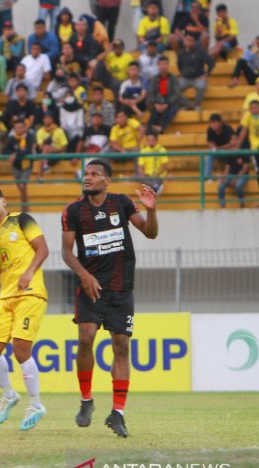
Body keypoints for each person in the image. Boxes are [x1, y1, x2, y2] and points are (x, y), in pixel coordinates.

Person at [62, 159, 158, 438]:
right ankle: (86, 399)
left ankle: (118, 413)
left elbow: (151, 233)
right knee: (85, 339)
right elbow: (67, 252)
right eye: (86, 173)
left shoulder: (122, 203)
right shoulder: (73, 211)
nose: (88, 177)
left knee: (121, 346)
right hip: (91, 287)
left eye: (95, 174)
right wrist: (84, 275)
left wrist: (152, 211)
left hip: (121, 287)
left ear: (107, 181)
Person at [0, 185, 49, 430]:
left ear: (3, 201)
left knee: (21, 349)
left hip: (30, 293)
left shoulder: (21, 220)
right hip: (6, 298)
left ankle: (36, 403)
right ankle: (9, 394)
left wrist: (29, 272)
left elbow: (43, 248)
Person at [2, 117, 35, 211]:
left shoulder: (29, 137)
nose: (19, 129)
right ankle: (25, 204)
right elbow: (4, 150)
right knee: (21, 189)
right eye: (17, 127)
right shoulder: (11, 138)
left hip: (26, 166)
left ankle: (24, 207)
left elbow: (28, 150)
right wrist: (12, 154)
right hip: (16, 166)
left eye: (21, 127)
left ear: (25, 128)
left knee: (22, 185)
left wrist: (16, 153)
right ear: (14, 129)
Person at [176, 33, 214, 110]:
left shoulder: (200, 51)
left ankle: (196, 104)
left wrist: (206, 74)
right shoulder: (181, 52)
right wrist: (183, 73)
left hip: (198, 77)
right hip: (185, 78)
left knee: (201, 86)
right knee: (173, 87)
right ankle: (187, 105)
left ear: (194, 42)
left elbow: (211, 62)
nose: (188, 42)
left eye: (191, 40)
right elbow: (179, 65)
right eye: (187, 40)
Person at [147, 55, 179, 134]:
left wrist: (167, 104)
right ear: (158, 66)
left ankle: (160, 128)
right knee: (154, 112)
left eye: (165, 64)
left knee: (169, 111)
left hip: (169, 100)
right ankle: (150, 128)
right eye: (161, 64)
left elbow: (176, 94)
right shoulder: (154, 78)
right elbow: (151, 92)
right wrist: (155, 104)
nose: (163, 66)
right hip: (158, 100)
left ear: (168, 65)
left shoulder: (173, 78)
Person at [35, 112, 68, 181]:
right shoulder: (40, 131)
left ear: (52, 119)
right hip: (45, 154)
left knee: (44, 153)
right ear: (43, 120)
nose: (47, 120)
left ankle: (40, 177)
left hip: (57, 155)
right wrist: (47, 149)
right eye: (46, 118)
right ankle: (45, 166)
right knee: (45, 151)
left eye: (49, 118)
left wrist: (52, 149)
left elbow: (64, 148)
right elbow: (40, 146)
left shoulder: (59, 130)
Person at [204, 113, 236, 181]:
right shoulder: (210, 130)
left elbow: (233, 142)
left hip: (228, 152)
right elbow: (210, 142)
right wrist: (214, 147)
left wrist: (219, 148)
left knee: (233, 152)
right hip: (219, 152)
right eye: (211, 122)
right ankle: (207, 177)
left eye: (215, 122)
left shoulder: (227, 128)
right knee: (209, 153)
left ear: (220, 122)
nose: (213, 125)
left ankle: (228, 177)